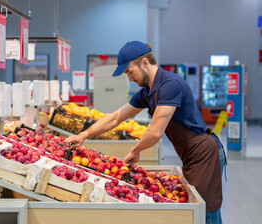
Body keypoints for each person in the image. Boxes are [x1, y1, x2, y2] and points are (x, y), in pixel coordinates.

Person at [65, 41, 226, 224]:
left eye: (129, 72)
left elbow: (155, 132)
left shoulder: (170, 85)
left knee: (205, 211)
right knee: (197, 209)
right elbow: (116, 117)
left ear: (144, 63)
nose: (130, 79)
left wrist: (135, 150)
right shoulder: (148, 92)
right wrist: (83, 135)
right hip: (190, 155)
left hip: (204, 153)